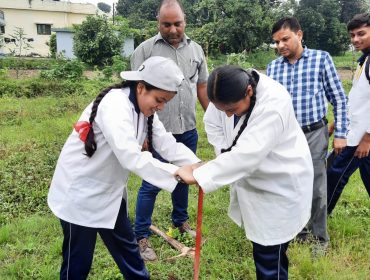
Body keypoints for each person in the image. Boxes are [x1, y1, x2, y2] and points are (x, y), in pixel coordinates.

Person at [47, 56, 201, 280]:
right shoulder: (115, 105)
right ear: (141, 87)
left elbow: (165, 142)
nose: (161, 106)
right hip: (79, 195)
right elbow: (131, 156)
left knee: (129, 252)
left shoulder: (144, 111)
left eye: (166, 101)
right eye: (159, 99)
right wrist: (176, 174)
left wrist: (195, 164)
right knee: (77, 262)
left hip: (109, 195)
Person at [175, 65, 314, 280]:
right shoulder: (225, 91)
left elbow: (247, 155)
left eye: (231, 109)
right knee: (264, 251)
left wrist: (201, 173)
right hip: (253, 180)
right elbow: (212, 123)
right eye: (223, 110)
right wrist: (224, 153)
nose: (227, 115)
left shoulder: (273, 104)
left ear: (249, 91)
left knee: (270, 255)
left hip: (279, 184)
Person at [130, 0, 209, 261]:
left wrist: (212, 119)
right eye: (167, 24)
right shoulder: (145, 50)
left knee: (185, 178)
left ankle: (180, 222)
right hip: (156, 129)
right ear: (158, 23)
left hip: (188, 127)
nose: (173, 29)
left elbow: (202, 88)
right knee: (151, 181)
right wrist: (140, 134)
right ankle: (141, 235)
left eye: (178, 23)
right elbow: (135, 92)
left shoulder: (196, 49)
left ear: (184, 21)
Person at [266, 17, 348, 254]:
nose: (281, 46)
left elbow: (339, 99)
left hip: (314, 132)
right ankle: (299, 231)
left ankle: (320, 238)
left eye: (285, 39)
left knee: (316, 186)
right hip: (285, 137)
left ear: (299, 35)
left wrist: (341, 134)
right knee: (290, 184)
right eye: (276, 42)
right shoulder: (273, 68)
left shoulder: (321, 59)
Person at [327, 13, 370, 215]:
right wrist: (337, 123)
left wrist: (367, 140)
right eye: (352, 35)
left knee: (334, 175)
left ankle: (318, 221)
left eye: (361, 33)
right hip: (356, 131)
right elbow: (357, 100)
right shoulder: (364, 61)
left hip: (360, 138)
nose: (355, 40)